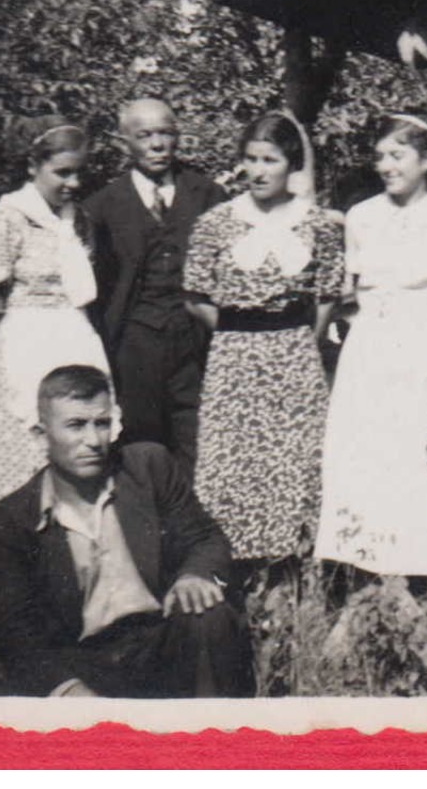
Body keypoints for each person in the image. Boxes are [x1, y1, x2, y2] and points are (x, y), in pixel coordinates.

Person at [0, 365, 254, 698]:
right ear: (42, 435)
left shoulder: (147, 468)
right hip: (85, 661)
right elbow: (14, 627)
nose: (94, 441)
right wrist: (67, 689)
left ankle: (211, 742)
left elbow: (206, 538)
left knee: (208, 614)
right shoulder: (15, 517)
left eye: (102, 424)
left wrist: (195, 576)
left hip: (161, 640)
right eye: (76, 426)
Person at [183, 112, 344, 565]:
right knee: (232, 462)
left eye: (269, 160)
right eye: (250, 159)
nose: (258, 170)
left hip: (294, 355)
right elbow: (194, 296)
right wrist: (240, 335)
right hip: (233, 356)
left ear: (290, 163)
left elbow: (328, 293)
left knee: (294, 460)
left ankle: (290, 569)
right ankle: (231, 567)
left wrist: (294, 341)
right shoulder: (216, 223)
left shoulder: (316, 225)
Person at [315, 114, 427, 578]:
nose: (385, 165)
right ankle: (358, 573)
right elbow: (349, 292)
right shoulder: (361, 217)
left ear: (426, 160)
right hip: (369, 348)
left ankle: (406, 577)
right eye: (380, 156)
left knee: (416, 455)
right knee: (361, 456)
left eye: (397, 155)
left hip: (421, 345)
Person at [0, 115, 110, 556]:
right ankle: (15, 552)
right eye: (63, 172)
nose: (74, 182)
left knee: (83, 440)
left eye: (80, 172)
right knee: (26, 445)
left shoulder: (78, 222)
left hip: (76, 339)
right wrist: (1, 359)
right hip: (25, 345)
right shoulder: (5, 219)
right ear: (32, 167)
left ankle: (79, 550)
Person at [84, 99, 226, 472]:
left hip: (198, 345)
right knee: (139, 446)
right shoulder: (101, 206)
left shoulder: (209, 196)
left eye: (165, 133)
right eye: (144, 135)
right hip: (134, 346)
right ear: (124, 142)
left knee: (200, 443)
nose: (157, 144)